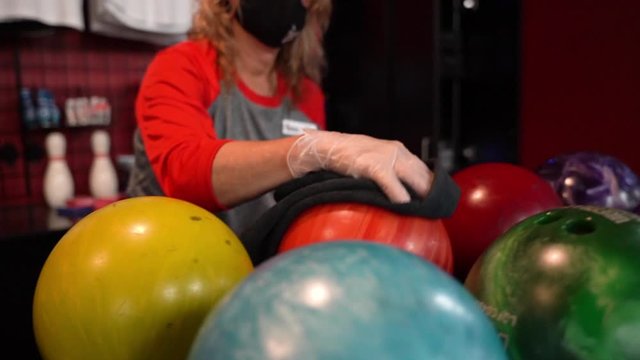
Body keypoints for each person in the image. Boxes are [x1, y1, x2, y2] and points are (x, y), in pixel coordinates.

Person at [126, 0, 434, 235]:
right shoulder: (181, 67)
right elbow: (185, 176)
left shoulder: (306, 94)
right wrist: (314, 150)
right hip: (169, 263)